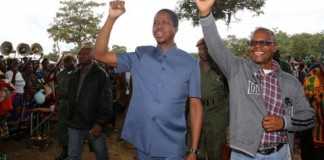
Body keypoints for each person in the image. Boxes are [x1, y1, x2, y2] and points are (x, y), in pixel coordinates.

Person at [195, 0, 315, 159]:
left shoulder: (290, 82)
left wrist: (284, 122)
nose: (257, 46)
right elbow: (216, 47)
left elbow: (308, 116)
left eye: (264, 43)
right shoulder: (237, 70)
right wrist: (205, 14)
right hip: (244, 154)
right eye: (253, 42)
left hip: (280, 153)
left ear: (274, 47)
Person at [95, 1, 203, 160]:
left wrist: (193, 150)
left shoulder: (190, 63)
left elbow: (195, 105)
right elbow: (99, 54)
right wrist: (111, 18)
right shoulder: (141, 55)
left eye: (164, 22)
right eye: (155, 22)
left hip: (173, 145)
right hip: (143, 142)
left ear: (175, 28)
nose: (158, 26)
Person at [66, 47, 113, 160]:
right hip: (75, 122)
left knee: (101, 154)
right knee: (73, 155)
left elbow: (106, 100)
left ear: (93, 56)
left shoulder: (101, 74)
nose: (81, 56)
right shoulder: (75, 74)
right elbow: (71, 96)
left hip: (93, 122)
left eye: (85, 54)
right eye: (80, 54)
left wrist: (100, 123)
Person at [196, 38, 229, 160]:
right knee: (197, 149)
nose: (203, 51)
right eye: (200, 49)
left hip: (217, 115)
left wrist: (228, 119)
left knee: (216, 151)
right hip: (198, 111)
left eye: (205, 48)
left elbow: (230, 93)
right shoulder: (193, 67)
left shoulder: (221, 68)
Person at [55, 55, 76, 160]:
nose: (68, 64)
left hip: (76, 105)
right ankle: (65, 150)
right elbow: (57, 91)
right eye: (66, 62)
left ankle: (73, 152)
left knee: (75, 129)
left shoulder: (80, 73)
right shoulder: (60, 75)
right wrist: (56, 104)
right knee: (62, 128)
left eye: (71, 62)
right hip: (63, 105)